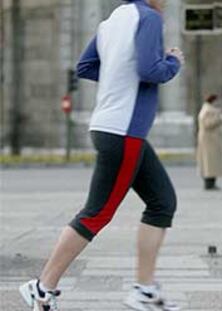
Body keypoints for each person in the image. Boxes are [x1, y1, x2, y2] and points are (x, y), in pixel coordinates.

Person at [19, 1, 184, 310]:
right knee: (97, 213)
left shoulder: (110, 22)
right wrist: (173, 61)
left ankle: (145, 290)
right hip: (124, 130)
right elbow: (150, 69)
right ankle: (42, 287)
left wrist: (116, 74)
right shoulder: (149, 18)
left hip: (111, 126)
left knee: (162, 202)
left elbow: (86, 66)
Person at [196, 94, 222, 190]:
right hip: (209, 140)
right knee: (210, 162)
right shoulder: (208, 110)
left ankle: (211, 182)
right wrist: (219, 119)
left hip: (209, 140)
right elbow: (208, 124)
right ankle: (209, 183)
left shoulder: (207, 109)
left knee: (210, 162)